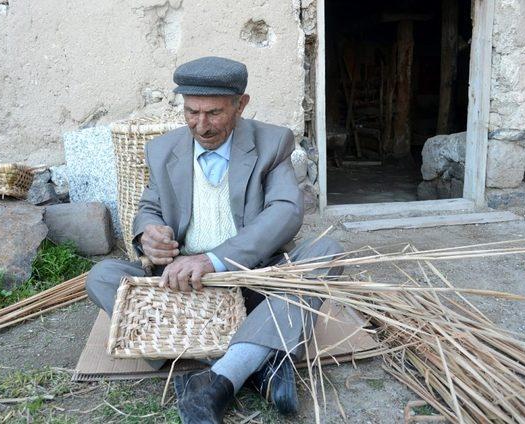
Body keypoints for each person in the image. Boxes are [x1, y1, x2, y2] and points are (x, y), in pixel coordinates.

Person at [85, 56, 344, 423]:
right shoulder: (163, 150)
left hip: (252, 278)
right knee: (101, 276)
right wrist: (148, 234)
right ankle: (258, 360)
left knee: (327, 254)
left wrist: (213, 260)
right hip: (182, 289)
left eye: (214, 113)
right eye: (192, 112)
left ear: (241, 104)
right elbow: (148, 207)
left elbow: (286, 212)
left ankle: (219, 376)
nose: (201, 126)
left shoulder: (272, 142)